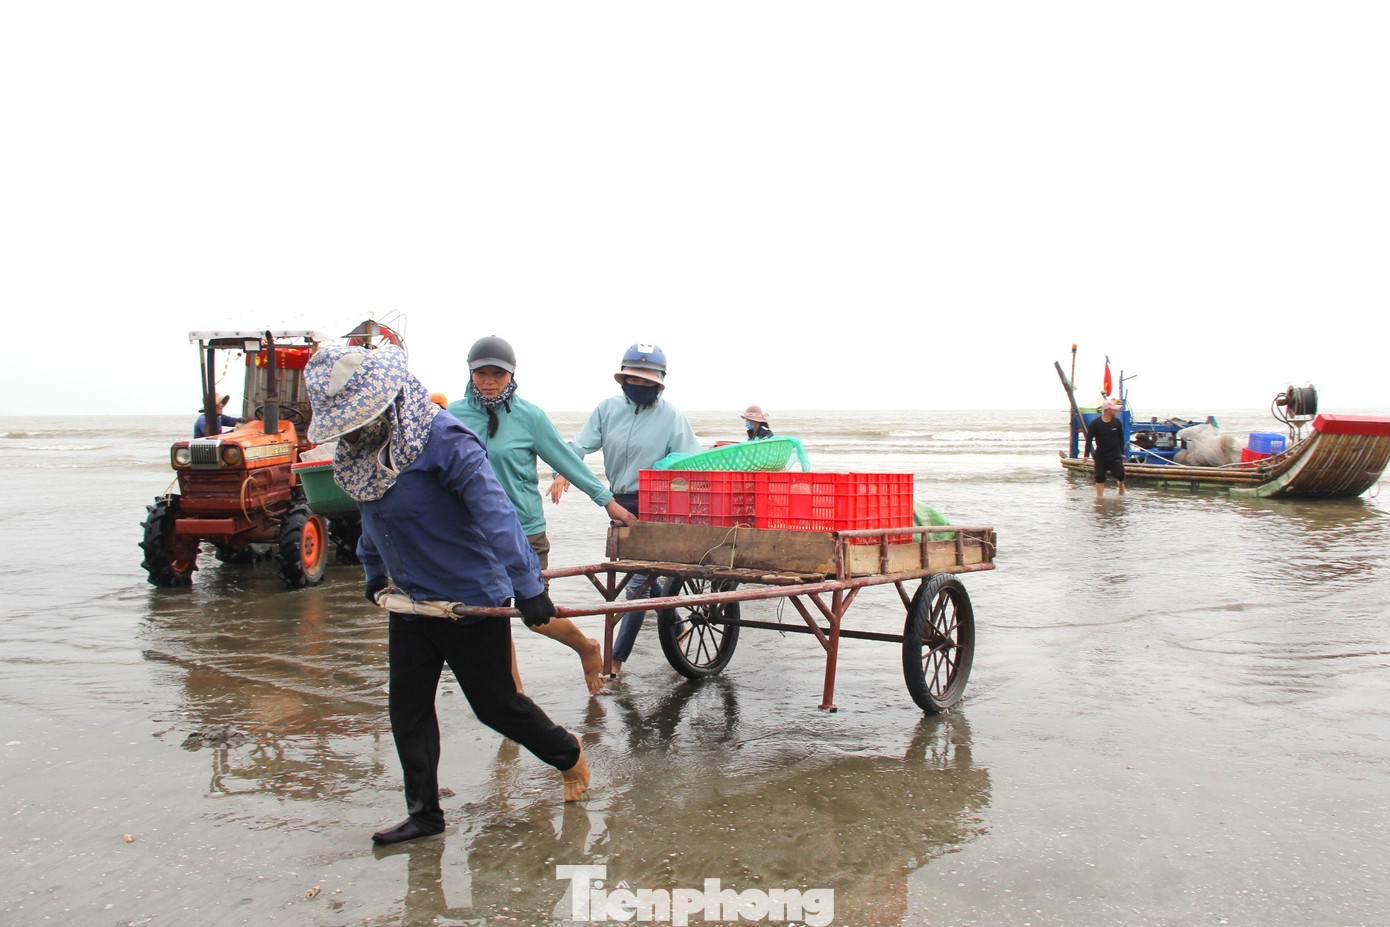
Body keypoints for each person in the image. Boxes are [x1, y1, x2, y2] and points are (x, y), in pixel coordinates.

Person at [303, 344, 590, 846]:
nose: (350, 431)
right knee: (407, 707)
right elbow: (373, 515)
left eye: (357, 419)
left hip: (468, 596)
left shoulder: (444, 439)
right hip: (411, 598)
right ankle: (425, 815)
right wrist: (374, 570)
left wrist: (528, 587)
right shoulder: (362, 449)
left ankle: (568, 754)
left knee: (495, 705)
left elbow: (496, 514)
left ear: (385, 402)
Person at [447, 336, 636, 696]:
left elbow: (566, 461)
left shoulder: (529, 417)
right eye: (482, 373)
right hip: (472, 535)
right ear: (470, 374)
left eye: (498, 374)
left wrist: (607, 501)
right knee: (490, 618)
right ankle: (514, 699)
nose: (489, 381)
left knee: (535, 616)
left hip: (524, 532)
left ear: (511, 375)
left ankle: (586, 647)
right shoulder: (452, 416)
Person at [550, 343, 703, 676]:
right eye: (635, 379)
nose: (641, 385)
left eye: (648, 381)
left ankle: (616, 660)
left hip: (657, 503)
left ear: (659, 382)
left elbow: (691, 462)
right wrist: (562, 472)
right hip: (618, 501)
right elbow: (580, 445)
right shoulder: (607, 409)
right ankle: (676, 624)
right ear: (623, 379)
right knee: (642, 577)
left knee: (636, 584)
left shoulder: (672, 417)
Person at [1085, 398, 1126, 498]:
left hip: (1115, 454)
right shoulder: (1095, 423)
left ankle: (1121, 485)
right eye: (1114, 409)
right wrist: (1086, 455)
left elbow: (1121, 438)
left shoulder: (1117, 422)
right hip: (1101, 455)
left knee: (1120, 474)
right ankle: (1099, 499)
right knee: (1099, 477)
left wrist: (1122, 454)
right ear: (1108, 410)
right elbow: (1089, 439)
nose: (1117, 411)